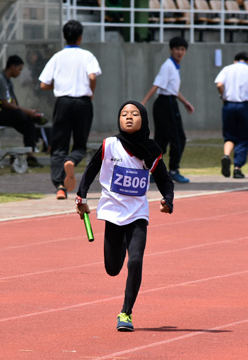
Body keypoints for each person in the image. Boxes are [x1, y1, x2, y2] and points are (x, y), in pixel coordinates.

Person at [75, 100, 174, 332]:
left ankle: (126, 313)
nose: (129, 117)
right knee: (112, 268)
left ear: (144, 119)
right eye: (124, 114)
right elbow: (90, 170)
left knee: (136, 261)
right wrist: (82, 198)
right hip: (112, 212)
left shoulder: (151, 151)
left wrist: (168, 200)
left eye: (135, 114)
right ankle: (119, 248)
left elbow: (164, 180)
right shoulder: (109, 145)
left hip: (138, 213)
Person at [39, 20, 102, 200]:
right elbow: (92, 76)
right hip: (83, 103)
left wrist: (60, 85)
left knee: (59, 145)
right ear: (80, 37)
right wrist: (91, 92)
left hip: (63, 103)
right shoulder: (87, 56)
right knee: (80, 144)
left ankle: (60, 186)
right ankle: (72, 161)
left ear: (64, 36)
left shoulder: (57, 57)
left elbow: (43, 84)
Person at [141, 36, 194, 184]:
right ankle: (173, 170)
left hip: (167, 102)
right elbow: (157, 85)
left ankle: (154, 172)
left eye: (182, 49)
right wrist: (143, 103)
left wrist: (185, 102)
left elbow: (173, 90)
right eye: (177, 48)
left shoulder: (174, 66)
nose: (180, 52)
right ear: (171, 50)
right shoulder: (168, 66)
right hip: (166, 104)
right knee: (179, 139)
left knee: (161, 141)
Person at [0, 55, 45, 168]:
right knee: (21, 114)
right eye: (19, 69)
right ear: (12, 67)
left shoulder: (8, 82)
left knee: (28, 119)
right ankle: (35, 138)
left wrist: (27, 112)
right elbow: (4, 103)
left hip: (7, 113)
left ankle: (30, 155)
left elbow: (13, 102)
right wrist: (27, 111)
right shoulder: (0, 79)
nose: (20, 73)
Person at [214, 51, 248, 179]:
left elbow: (219, 84)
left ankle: (226, 155)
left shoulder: (227, 69)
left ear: (235, 60)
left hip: (228, 105)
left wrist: (223, 96)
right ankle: (237, 168)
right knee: (245, 136)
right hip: (243, 105)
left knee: (229, 135)